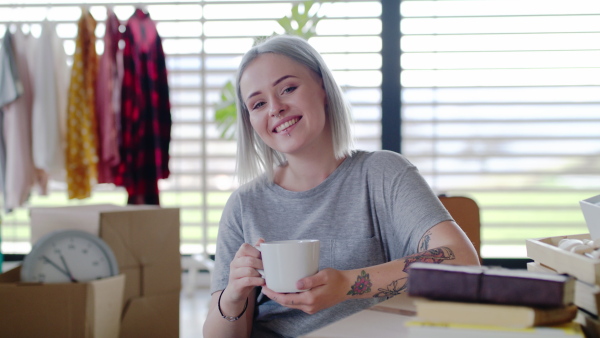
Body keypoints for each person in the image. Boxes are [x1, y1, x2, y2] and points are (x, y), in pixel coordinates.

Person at [202, 35, 480, 338]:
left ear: (322, 87)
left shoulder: (382, 174)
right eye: (258, 103)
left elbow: (461, 260)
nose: (276, 108)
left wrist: (348, 284)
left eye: (288, 88)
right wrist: (232, 296)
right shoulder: (244, 205)